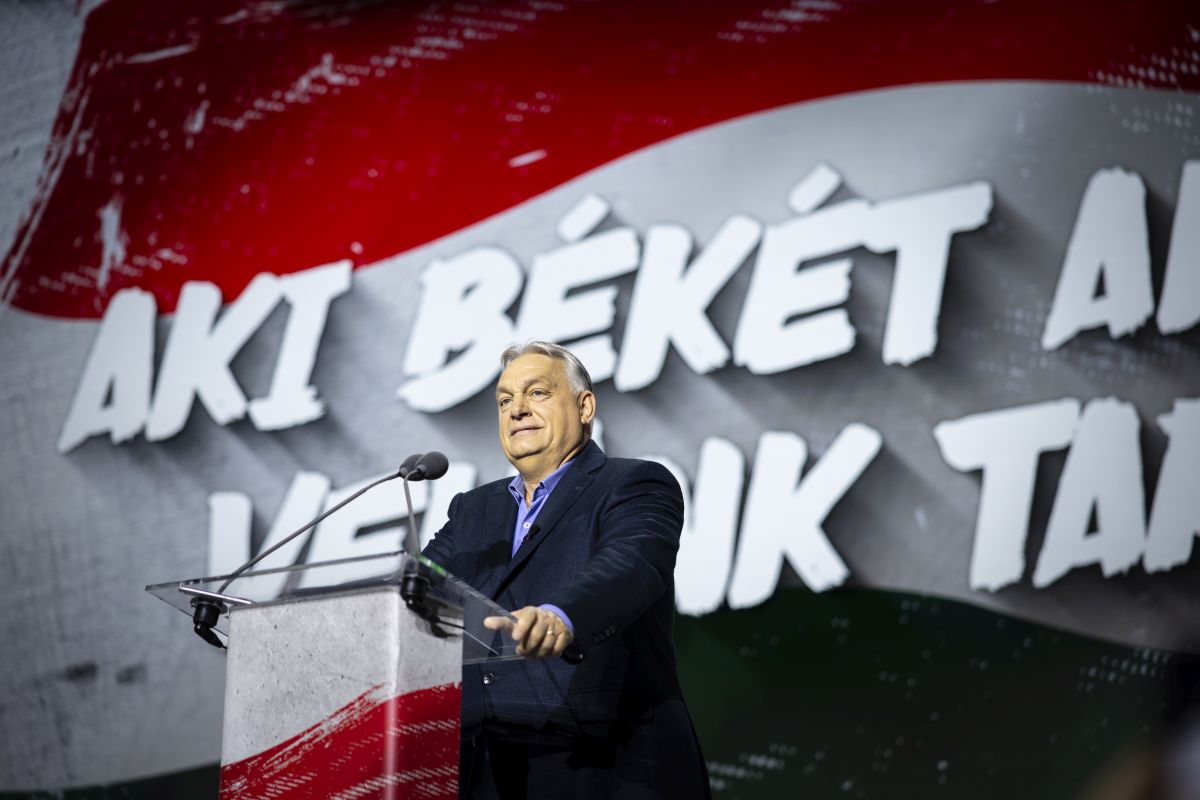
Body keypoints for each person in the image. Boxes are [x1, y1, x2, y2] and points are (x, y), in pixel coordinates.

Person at [422, 340, 710, 799]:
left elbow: (630, 565)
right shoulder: (473, 509)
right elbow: (420, 590)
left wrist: (562, 616)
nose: (516, 409)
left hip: (607, 765)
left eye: (536, 393)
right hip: (488, 771)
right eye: (504, 400)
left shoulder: (634, 483)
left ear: (585, 406)